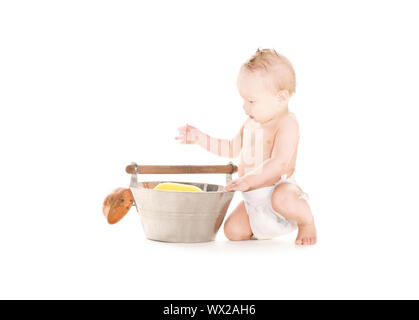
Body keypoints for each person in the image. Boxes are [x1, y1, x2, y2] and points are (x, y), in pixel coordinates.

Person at [175, 48, 316, 245]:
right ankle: (264, 229)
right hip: (254, 199)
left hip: (278, 190)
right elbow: (231, 148)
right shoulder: (250, 123)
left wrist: (249, 180)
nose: (245, 107)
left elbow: (279, 163)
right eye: (243, 99)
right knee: (232, 231)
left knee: (283, 198)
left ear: (281, 98)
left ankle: (306, 221)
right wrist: (201, 139)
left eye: (251, 101)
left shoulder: (287, 123)